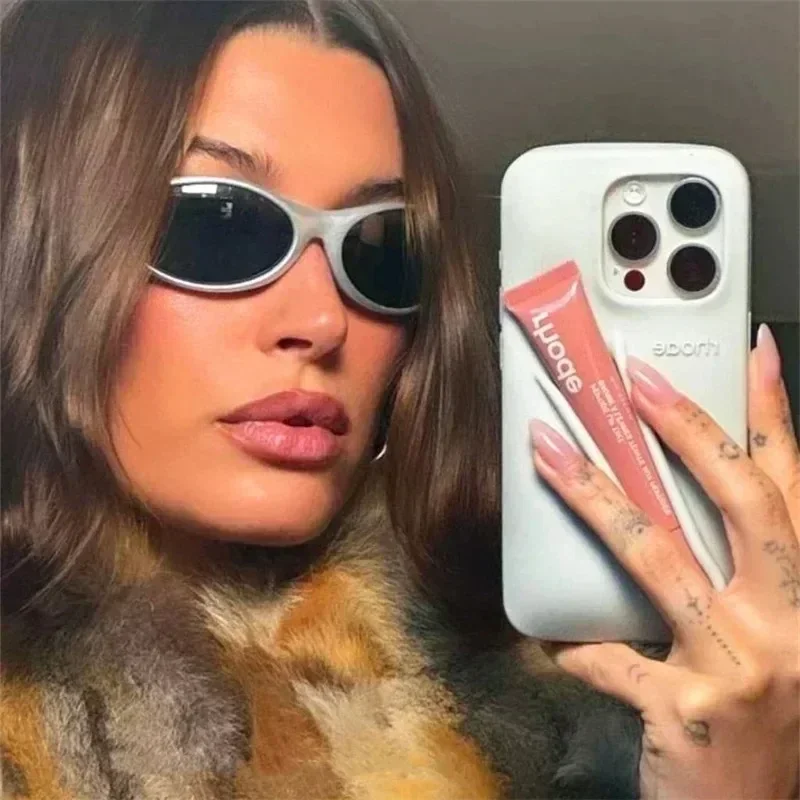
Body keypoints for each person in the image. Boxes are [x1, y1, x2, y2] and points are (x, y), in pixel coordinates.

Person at [1, 1, 797, 798]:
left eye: (380, 249)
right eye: (220, 224)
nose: (324, 321)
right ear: (34, 246)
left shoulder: (553, 700)